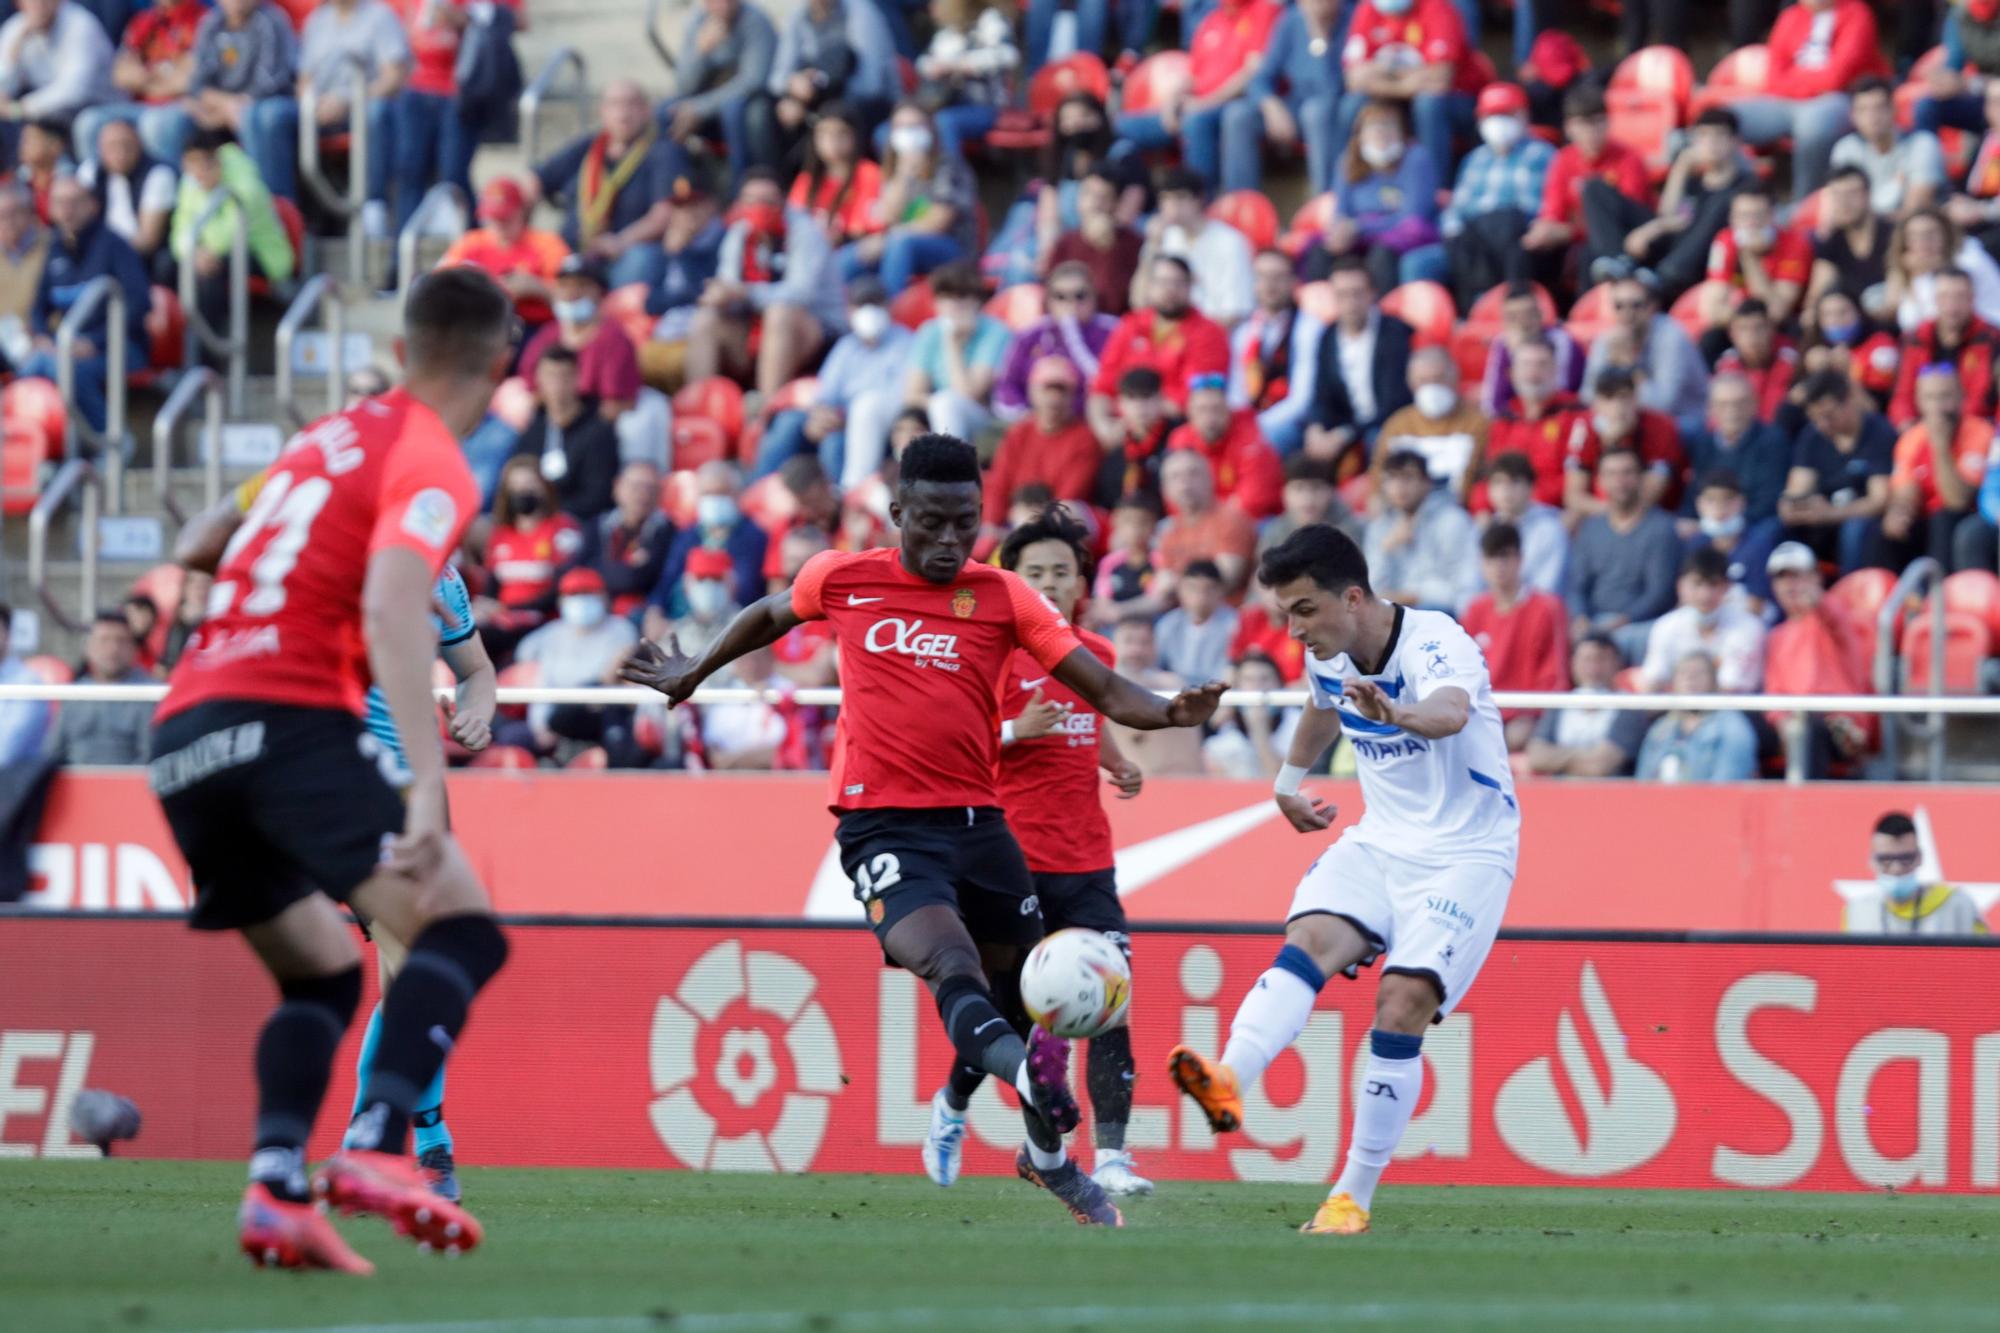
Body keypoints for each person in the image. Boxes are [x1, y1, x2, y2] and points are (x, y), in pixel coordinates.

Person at [621, 434, 1223, 1227]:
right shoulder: (844, 577)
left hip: (983, 826)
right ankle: (1031, 1081)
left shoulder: (1004, 596)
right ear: (897, 511)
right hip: (885, 830)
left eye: (964, 523)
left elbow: (1103, 684)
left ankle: (1046, 1159)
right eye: (930, 522)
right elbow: (768, 614)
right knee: (952, 965)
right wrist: (694, 669)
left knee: (1020, 1001)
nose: (948, 541)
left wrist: (1170, 710)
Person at [145, 268, 513, 1270]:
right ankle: (379, 1147)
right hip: (285, 718)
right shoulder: (433, 458)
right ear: (501, 362)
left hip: (184, 729)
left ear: (403, 350)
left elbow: (197, 539)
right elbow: (400, 608)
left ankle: (274, 1187)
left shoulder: (322, 441)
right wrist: (427, 790)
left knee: (318, 972)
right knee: (463, 928)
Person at [1168, 521, 1517, 1237]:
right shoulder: (1327, 652)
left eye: (1303, 610)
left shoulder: (1436, 641)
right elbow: (1322, 708)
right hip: (1382, 842)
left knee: (1401, 1001)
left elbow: (1450, 712)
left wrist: (1399, 713)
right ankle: (1230, 1077)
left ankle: (1350, 1196)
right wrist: (1288, 781)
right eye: (1283, 615)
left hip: (1467, 852)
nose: (1293, 630)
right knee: (1309, 938)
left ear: (1352, 596)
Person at [684, 168, 844, 400]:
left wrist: (744, 293)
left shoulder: (805, 232)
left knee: (780, 313)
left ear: (782, 200)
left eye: (767, 201)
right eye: (750, 201)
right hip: (755, 327)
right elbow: (729, 284)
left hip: (817, 330)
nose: (758, 208)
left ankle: (767, 407)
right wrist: (720, 295)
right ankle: (700, 406)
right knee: (706, 318)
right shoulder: (739, 234)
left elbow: (801, 293)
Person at [531, 81, 697, 291]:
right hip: (575, 250)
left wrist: (621, 241)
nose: (623, 114)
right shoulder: (590, 145)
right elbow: (536, 179)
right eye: (615, 105)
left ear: (647, 110)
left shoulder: (664, 151)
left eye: (631, 104)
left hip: (624, 253)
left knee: (642, 260)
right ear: (603, 111)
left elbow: (665, 212)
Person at [19, 175, 149, 432]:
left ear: (92, 205)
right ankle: (36, 449)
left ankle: (112, 440)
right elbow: (38, 307)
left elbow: (139, 304)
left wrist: (95, 342)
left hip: (120, 347)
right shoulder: (54, 248)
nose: (67, 210)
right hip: (68, 346)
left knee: (65, 370)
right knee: (31, 366)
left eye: (74, 202)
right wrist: (42, 336)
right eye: (60, 203)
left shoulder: (115, 245)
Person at [756, 276, 911, 486]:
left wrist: (846, 420)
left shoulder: (906, 342)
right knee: (789, 422)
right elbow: (825, 395)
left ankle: (842, 503)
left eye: (875, 304)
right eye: (861, 304)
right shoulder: (846, 347)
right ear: (850, 310)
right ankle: (755, 492)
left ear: (888, 307)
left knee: (834, 443)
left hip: (878, 427)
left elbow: (901, 400)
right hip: (838, 420)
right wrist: (818, 416)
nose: (869, 311)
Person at [1113, 0, 1280, 192]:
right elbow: (1191, 74)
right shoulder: (1212, 18)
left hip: (1234, 104)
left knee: (1196, 121)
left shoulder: (1264, 9)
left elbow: (1253, 73)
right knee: (1120, 126)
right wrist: (1172, 101)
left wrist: (1204, 103)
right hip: (1194, 106)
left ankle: (1200, 203)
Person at [1587, 107, 1752, 301]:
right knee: (1594, 188)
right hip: (1674, 247)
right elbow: (1670, 217)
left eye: (1719, 136)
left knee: (1721, 204)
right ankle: (1616, 261)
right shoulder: (1693, 182)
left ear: (1735, 141)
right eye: (1704, 136)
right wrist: (1681, 167)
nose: (1711, 143)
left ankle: (1664, 277)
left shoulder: (1746, 185)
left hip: (1703, 261)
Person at [1729, 0, 1888, 200]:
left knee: (1814, 125)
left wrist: (1795, 79)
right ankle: (1744, 194)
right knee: (1726, 118)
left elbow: (1837, 77)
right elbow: (1773, 78)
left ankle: (1802, 204)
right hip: (1786, 102)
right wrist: (1807, 85)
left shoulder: (1856, 12)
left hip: (1839, 99)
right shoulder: (1790, 16)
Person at [1335, 0, 1482, 189]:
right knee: (1352, 105)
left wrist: (1382, 72)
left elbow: (1440, 78)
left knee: (1428, 104)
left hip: (1456, 100)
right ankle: (1350, 188)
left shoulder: (1438, 8)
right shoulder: (1367, 9)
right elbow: (1354, 79)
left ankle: (1435, 189)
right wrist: (1406, 83)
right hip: (1400, 96)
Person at [280, 0, 406, 219]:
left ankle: (374, 206)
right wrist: (314, 104)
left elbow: (393, 78)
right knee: (269, 116)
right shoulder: (317, 20)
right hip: (320, 109)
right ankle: (282, 211)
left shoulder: (380, 16)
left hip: (362, 103)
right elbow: (304, 79)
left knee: (377, 113)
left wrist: (349, 101)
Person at [1087, 254, 1230, 441]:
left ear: (1190, 286)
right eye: (1162, 282)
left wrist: (1136, 416)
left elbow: (1195, 397)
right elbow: (1103, 385)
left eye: (1177, 283)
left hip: (1177, 431)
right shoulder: (1131, 324)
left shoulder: (1209, 332)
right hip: (1123, 427)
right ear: (1150, 286)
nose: (1170, 290)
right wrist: (1103, 427)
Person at [839, 102, 977, 294]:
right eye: (901, 127)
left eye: (915, 126)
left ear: (929, 129)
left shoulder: (948, 167)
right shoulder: (892, 170)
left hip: (950, 249)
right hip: (898, 248)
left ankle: (888, 310)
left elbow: (939, 222)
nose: (908, 133)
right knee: (852, 255)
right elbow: (887, 217)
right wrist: (903, 176)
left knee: (900, 243)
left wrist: (887, 240)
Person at [1310, 99, 1446, 293]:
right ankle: (1322, 314)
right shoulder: (1348, 160)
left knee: (1381, 253)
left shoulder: (1416, 158)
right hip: (1357, 237)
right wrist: (1341, 232)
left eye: (1389, 125)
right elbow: (1341, 212)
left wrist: (1360, 227)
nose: (1381, 132)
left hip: (1402, 237)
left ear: (1402, 132)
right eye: (1373, 126)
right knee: (1320, 251)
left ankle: (1380, 316)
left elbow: (1414, 216)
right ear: (1360, 135)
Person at [169, 129, 295, 338]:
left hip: (262, 256)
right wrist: (193, 253)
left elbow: (231, 235)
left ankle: (206, 358)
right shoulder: (189, 181)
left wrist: (199, 253)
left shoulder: (245, 182)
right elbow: (178, 231)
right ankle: (175, 349)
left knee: (211, 273)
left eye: (203, 163)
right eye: (191, 165)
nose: (198, 172)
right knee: (167, 266)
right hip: (212, 254)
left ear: (217, 159)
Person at [1764, 540, 1874, 777]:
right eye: (1782, 578)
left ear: (1816, 578)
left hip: (1834, 722)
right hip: (1795, 722)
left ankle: (1805, 805)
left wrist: (1817, 600)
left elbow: (1833, 617)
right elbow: (1775, 691)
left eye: (1797, 575)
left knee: (1809, 728)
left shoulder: (1837, 614)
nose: (1790, 584)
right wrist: (1783, 721)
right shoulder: (1776, 636)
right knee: (1742, 723)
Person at [1441, 83, 1557, 308]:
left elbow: (1546, 208)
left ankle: (1510, 307)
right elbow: (1457, 211)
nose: (1498, 122)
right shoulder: (1474, 159)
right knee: (1459, 238)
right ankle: (1475, 311)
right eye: (1491, 115)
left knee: (1508, 223)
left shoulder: (1543, 154)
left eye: (1506, 114)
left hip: (1521, 235)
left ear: (1524, 115)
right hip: (1477, 238)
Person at [1566, 446, 1683, 662]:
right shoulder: (1590, 528)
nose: (1620, 481)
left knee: (1639, 639)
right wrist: (1580, 617)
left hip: (1641, 624)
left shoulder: (1662, 529)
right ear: (1600, 480)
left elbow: (1659, 593)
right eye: (1611, 474)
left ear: (1640, 477)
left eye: (1627, 472)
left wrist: (1623, 621)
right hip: (1595, 620)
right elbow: (1577, 585)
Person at [509, 567, 640, 758]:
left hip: (598, 709)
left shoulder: (621, 630)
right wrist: (540, 726)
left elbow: (608, 678)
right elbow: (539, 675)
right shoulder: (551, 634)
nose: (581, 601)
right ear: (562, 600)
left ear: (603, 597)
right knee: (511, 736)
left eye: (587, 593)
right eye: (574, 594)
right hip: (555, 715)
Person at [753, 0, 899, 170]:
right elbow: (777, 78)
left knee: (835, 117)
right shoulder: (799, 16)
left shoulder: (861, 12)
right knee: (765, 111)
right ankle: (777, 184)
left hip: (866, 100)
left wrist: (818, 100)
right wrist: (793, 86)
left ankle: (849, 180)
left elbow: (870, 83)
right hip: (816, 97)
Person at [1529, 85, 1651, 286]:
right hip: (1580, 241)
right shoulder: (1563, 160)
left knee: (1594, 191)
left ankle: (1615, 266)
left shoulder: (1628, 158)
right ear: (1569, 128)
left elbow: (1624, 214)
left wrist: (1571, 231)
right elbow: (1553, 211)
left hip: (1627, 236)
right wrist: (1545, 230)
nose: (1592, 131)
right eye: (1584, 124)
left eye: (1598, 122)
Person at [1461, 521, 1568, 750]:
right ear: (1482, 563)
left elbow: (1555, 674)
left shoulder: (1548, 607)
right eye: (1492, 558)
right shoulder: (1475, 610)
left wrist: (1532, 713)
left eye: (1505, 556)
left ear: (1520, 559)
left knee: (1513, 738)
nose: (1499, 565)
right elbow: (1464, 671)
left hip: (1528, 714)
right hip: (1482, 713)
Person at [1879, 364, 1993, 571]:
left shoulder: (1980, 432)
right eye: (1930, 398)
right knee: (1880, 528)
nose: (1938, 407)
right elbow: (1905, 490)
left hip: (1961, 519)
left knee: (1944, 518)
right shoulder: (1911, 438)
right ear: (1919, 401)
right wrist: (1900, 512)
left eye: (1944, 397)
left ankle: (1940, 597)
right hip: (1925, 520)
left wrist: (1940, 447)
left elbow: (1957, 500)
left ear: (1961, 396)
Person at [1302, 258, 1416, 466]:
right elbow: (1321, 392)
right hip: (1343, 426)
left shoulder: (1394, 333)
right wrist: (1316, 427)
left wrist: (1345, 434)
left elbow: (1393, 403)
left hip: (1382, 426)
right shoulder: (1327, 336)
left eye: (1357, 293)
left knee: (1377, 441)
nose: (1350, 303)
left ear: (1372, 293)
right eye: (1342, 295)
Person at [1782, 370, 1896, 571]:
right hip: (1824, 519)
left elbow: (1879, 500)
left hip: (1866, 524)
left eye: (1829, 415)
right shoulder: (1812, 437)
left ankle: (1851, 591)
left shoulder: (1879, 433)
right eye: (1815, 418)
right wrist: (1793, 506)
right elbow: (1797, 488)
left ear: (1849, 401)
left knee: (1855, 529)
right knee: (1779, 529)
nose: (1822, 424)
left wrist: (1831, 514)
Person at [68, 0, 204, 165]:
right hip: (139, 107)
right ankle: (92, 187)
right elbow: (120, 75)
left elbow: (190, 80)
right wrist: (167, 74)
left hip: (182, 107)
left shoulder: (202, 19)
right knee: (88, 122)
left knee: (154, 125)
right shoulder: (144, 20)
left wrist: (147, 77)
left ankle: (163, 183)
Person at [475, 456, 584, 658]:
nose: (522, 491)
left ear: (544, 487)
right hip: (503, 619)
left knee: (483, 639)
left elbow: (558, 592)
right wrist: (486, 608)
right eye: (515, 486)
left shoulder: (562, 530)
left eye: (529, 484)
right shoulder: (501, 535)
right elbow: (492, 588)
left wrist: (505, 608)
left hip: (543, 621)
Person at [661, 0, 777, 185]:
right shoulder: (697, 22)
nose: (722, 6)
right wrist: (700, 52)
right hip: (708, 99)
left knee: (736, 111)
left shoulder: (755, 21)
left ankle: (740, 188)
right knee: (664, 112)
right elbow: (683, 86)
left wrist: (700, 109)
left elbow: (752, 81)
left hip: (744, 101)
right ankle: (675, 188)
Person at [983, 355, 1100, 536]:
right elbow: (999, 483)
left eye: (1061, 390)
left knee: (1069, 510)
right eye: (1047, 389)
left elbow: (1070, 494)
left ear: (1072, 395)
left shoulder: (1084, 438)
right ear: (1033, 391)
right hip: (1013, 516)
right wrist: (991, 524)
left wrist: (1030, 517)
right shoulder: (1019, 433)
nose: (1054, 397)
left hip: (1058, 523)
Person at [518, 255, 641, 425]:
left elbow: (614, 405)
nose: (571, 294)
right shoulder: (548, 333)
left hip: (596, 427)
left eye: (582, 286)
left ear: (601, 292)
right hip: (552, 420)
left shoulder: (613, 338)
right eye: (565, 286)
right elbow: (530, 387)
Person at [438, 177, 569, 333]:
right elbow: (438, 286)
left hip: (532, 326)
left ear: (521, 211)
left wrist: (537, 287)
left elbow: (572, 297)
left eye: (505, 218)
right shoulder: (470, 243)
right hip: (479, 326)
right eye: (492, 218)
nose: (498, 225)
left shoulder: (547, 244)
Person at [992, 260, 1118, 421]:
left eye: (1080, 295)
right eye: (1060, 296)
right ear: (1049, 301)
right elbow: (1006, 385)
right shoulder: (1030, 334)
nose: (1071, 303)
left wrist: (1073, 337)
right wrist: (1026, 417)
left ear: (1094, 296)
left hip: (1089, 421)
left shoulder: (1113, 331)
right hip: (1034, 422)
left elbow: (1105, 384)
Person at [1581, 275, 1709, 431]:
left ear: (1652, 306)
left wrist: (1628, 365)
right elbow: (1587, 396)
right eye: (1619, 306)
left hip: (1684, 420)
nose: (1627, 313)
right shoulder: (1607, 339)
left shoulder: (1672, 336)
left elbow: (1663, 405)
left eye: (1636, 305)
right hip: (1633, 421)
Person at [1238, 0, 1342, 193]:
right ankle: (1240, 200)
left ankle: (1325, 198)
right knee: (1239, 115)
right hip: (1295, 104)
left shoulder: (1350, 17)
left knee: (1315, 112)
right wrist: (1271, 105)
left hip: (1334, 106)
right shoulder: (1291, 20)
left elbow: (1330, 86)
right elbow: (1261, 78)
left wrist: (1318, 35)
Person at [1225, 249, 1322, 454]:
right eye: (1262, 277)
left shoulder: (1309, 328)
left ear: (1293, 281)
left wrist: (1257, 426)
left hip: (1293, 424)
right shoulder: (1244, 332)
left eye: (1278, 277)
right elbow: (1237, 392)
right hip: (1250, 421)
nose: (1269, 285)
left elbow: (1301, 401)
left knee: (1261, 444)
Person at [904, 259, 1008, 447]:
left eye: (962, 297)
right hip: (939, 414)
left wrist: (952, 343)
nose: (954, 305)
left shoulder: (996, 332)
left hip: (985, 419)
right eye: (947, 297)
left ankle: (949, 473)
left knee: (947, 402)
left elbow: (969, 394)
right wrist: (935, 404)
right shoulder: (929, 331)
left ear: (976, 300)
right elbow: (912, 394)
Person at [1132, 167, 1254, 328]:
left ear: (1200, 199)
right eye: (1165, 199)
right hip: (1170, 338)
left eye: (1179, 198)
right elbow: (1139, 302)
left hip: (1216, 337)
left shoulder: (1230, 242)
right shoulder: (1164, 238)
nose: (1171, 206)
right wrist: (1152, 247)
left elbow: (1235, 313)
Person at [1478, 336, 1589, 511]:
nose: (1533, 373)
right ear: (1512, 373)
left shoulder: (1577, 415)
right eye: (1526, 365)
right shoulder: (1504, 420)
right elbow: (1488, 477)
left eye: (1541, 364)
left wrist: (1524, 500)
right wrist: (1482, 511)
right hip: (1504, 511)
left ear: (1555, 370)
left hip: (1554, 512)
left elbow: (1576, 478)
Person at [514, 344, 622, 524]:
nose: (557, 385)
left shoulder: (598, 431)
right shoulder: (534, 429)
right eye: (550, 376)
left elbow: (598, 496)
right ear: (539, 379)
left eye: (564, 376)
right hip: (533, 524)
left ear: (578, 377)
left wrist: (550, 513)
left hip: (582, 525)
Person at [1638, 546, 1768, 693]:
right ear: (1681, 586)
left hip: (1732, 710)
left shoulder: (1748, 627)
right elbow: (1652, 682)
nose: (1705, 594)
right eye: (1697, 583)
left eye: (1713, 584)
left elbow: (1731, 689)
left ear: (1727, 587)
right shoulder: (1666, 626)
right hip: (1677, 710)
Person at [1363, 448, 1479, 611]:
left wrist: (1412, 596)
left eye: (1408, 478)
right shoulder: (1379, 527)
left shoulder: (1452, 520)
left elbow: (1465, 589)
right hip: (1394, 614)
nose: (1400, 486)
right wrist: (1386, 550)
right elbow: (1371, 592)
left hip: (1441, 613)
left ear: (1427, 483)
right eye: (1393, 478)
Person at [649, 459, 766, 618]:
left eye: (721, 493)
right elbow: (667, 579)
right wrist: (655, 610)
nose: (714, 500)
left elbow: (746, 589)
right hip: (681, 619)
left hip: (731, 620)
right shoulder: (688, 534)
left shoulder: (753, 535)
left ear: (738, 494)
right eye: (707, 493)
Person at [1886, 266, 1999, 429]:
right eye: (1944, 297)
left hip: (1975, 430)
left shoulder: (1992, 339)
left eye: (1960, 297)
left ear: (1972, 299)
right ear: (1935, 300)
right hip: (1921, 429)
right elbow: (1902, 395)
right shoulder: (1914, 339)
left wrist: (1954, 430)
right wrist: (1908, 425)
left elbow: (1982, 398)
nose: (1952, 306)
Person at [1524, 631, 1651, 776]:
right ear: (1573, 663)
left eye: (1601, 660)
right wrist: (1587, 755)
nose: (1593, 668)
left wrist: (1556, 757)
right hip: (1560, 793)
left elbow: (1600, 766)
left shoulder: (1629, 706)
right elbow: (1536, 757)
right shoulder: (1560, 703)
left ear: (1617, 663)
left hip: (1608, 794)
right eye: (1586, 659)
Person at [1568, 367, 1688, 518]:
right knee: (1569, 519)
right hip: (1600, 511)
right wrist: (1609, 442)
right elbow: (1574, 497)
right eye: (1608, 398)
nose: (1617, 407)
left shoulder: (1660, 427)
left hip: (1654, 513)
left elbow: (1650, 495)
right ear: (1596, 403)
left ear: (1636, 398)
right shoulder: (1584, 426)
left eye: (1624, 397)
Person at [0, 0, 114, 157]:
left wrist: (20, 109)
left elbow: (74, 91)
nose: (39, 5)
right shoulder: (17, 28)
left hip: (100, 108)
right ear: (19, 3)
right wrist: (14, 52)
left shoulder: (80, 24)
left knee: (86, 123)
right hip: (52, 115)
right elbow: (3, 88)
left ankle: (85, 178)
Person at [1372, 347, 1488, 502]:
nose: (1432, 387)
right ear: (1411, 384)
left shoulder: (1477, 423)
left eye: (1439, 379)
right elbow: (1379, 473)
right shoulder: (1398, 425)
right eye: (1423, 381)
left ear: (1455, 379)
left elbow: (1482, 474)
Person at [1843, 811, 1989, 934]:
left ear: (1920, 858)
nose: (1896, 869)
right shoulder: (1856, 911)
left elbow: (1985, 961)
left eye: (1906, 858)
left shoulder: (1958, 905)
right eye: (1886, 859)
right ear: (1872, 861)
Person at [908, 0, 1017, 162]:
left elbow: (1009, 56)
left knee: (945, 122)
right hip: (944, 102)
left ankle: (951, 178)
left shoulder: (992, 21)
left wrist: (961, 64)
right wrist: (936, 67)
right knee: (890, 129)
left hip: (984, 106)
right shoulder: (948, 32)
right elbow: (923, 63)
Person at [1166, 372, 1283, 518]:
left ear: (1228, 410)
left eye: (1216, 409)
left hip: (1251, 521)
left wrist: (1212, 520)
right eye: (1202, 410)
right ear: (1190, 413)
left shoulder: (1250, 436)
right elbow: (1174, 494)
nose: (1209, 418)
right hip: (1201, 520)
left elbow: (1255, 499)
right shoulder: (1180, 439)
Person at [1104, 611, 1207, 775]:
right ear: (1113, 644)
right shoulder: (1098, 687)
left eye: (1145, 642)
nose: (1136, 650)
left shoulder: (1173, 685)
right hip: (1115, 783)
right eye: (1128, 641)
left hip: (1174, 781)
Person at [43, 612, 153, 764]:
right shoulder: (74, 694)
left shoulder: (151, 693)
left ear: (133, 648)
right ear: (88, 648)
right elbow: (53, 753)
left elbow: (150, 756)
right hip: (74, 783)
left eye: (121, 641)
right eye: (104, 640)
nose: (113, 649)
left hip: (129, 783)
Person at [1830, 77, 1944, 223]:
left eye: (1879, 108)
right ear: (1853, 116)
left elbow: (1914, 212)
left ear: (1893, 110)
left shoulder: (1922, 144)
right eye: (1863, 110)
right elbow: (1838, 209)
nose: (1872, 117)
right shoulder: (1845, 149)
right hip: (1863, 236)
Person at [1685, 374, 1793, 528]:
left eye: (1740, 403)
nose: (1732, 411)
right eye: (1723, 404)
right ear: (1711, 409)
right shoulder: (1704, 443)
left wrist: (1726, 524)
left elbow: (1769, 499)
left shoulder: (1772, 440)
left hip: (1754, 524)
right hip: (1711, 523)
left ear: (1754, 404)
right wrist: (1688, 519)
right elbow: (1694, 492)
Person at [1634, 651, 1760, 782]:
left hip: (1710, 800)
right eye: (1683, 673)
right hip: (1659, 801)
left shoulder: (1733, 728)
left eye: (1699, 673)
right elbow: (1643, 783)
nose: (1690, 678)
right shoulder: (1660, 729)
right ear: (1673, 683)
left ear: (1715, 681)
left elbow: (1728, 787)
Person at [1040, 167, 1144, 318]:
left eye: (1104, 197)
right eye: (1088, 194)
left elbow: (1116, 302)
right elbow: (1049, 301)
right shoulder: (1065, 242)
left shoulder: (1133, 243)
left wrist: (1108, 248)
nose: (1094, 203)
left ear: (1116, 203)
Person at [1702, 189, 1810, 330]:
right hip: (1737, 320)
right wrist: (1743, 322)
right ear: (1732, 219)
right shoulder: (1724, 240)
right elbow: (1713, 307)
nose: (1751, 223)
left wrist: (1749, 258)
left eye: (1758, 215)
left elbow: (1778, 312)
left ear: (1772, 216)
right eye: (1743, 216)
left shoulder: (1794, 244)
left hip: (1780, 327)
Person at [75, 118, 174, 267]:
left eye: (127, 145)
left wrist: (105, 253)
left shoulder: (158, 174)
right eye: (112, 147)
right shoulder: (90, 171)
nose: (121, 153)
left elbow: (148, 241)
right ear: (100, 149)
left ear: (140, 145)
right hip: (98, 253)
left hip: (138, 258)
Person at [1885, 207, 2000, 334]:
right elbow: (1893, 310)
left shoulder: (1969, 258)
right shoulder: (1910, 269)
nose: (1923, 242)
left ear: (1945, 234)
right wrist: (1907, 276)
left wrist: (1929, 266)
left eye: (1930, 234)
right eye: (1914, 235)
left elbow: (1950, 316)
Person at [786, 100, 883, 250]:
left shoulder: (869, 174)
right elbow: (794, 224)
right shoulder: (807, 179)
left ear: (855, 137)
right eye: (823, 133)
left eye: (840, 133)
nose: (831, 140)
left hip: (855, 249)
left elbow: (864, 227)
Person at [1155, 448, 1257, 590]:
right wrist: (1121, 611)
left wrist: (1173, 584)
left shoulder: (1231, 520)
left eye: (1193, 473)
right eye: (1175, 477)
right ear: (1164, 489)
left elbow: (1224, 582)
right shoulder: (1169, 530)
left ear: (1211, 478)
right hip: (1182, 610)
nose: (1185, 484)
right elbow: (1161, 591)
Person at [1480, 281, 1583, 417]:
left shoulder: (1561, 340)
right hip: (1517, 422)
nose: (1522, 322)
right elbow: (1493, 403)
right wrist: (1516, 355)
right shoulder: (1501, 343)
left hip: (1557, 421)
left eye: (1528, 314)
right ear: (1504, 320)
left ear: (1540, 314)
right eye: (1513, 317)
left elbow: (1560, 392)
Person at [583, 461, 671, 618]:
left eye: (651, 488)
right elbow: (580, 570)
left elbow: (639, 580)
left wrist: (604, 569)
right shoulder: (598, 525)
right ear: (617, 487)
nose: (643, 494)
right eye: (636, 486)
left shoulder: (667, 531)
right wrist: (627, 570)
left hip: (640, 615)